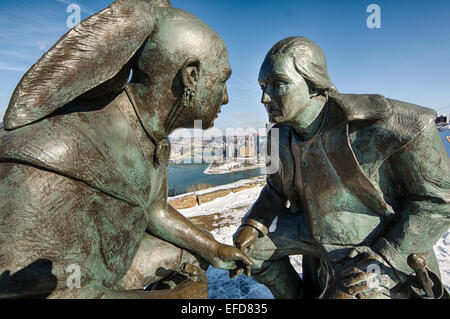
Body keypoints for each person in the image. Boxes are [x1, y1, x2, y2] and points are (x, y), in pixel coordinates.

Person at [0, 0, 251, 298]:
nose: (225, 98)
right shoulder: (60, 150)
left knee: (192, 255)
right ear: (191, 76)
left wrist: (214, 248)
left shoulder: (154, 140)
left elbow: (153, 211)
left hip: (112, 268)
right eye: (222, 81)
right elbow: (30, 292)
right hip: (80, 285)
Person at [232, 36, 450, 299]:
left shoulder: (388, 126)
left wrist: (387, 257)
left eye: (278, 84)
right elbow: (275, 190)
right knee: (249, 253)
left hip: (372, 243)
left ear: (314, 84)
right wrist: (253, 224)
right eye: (263, 86)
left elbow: (438, 200)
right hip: (309, 232)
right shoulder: (279, 137)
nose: (265, 98)